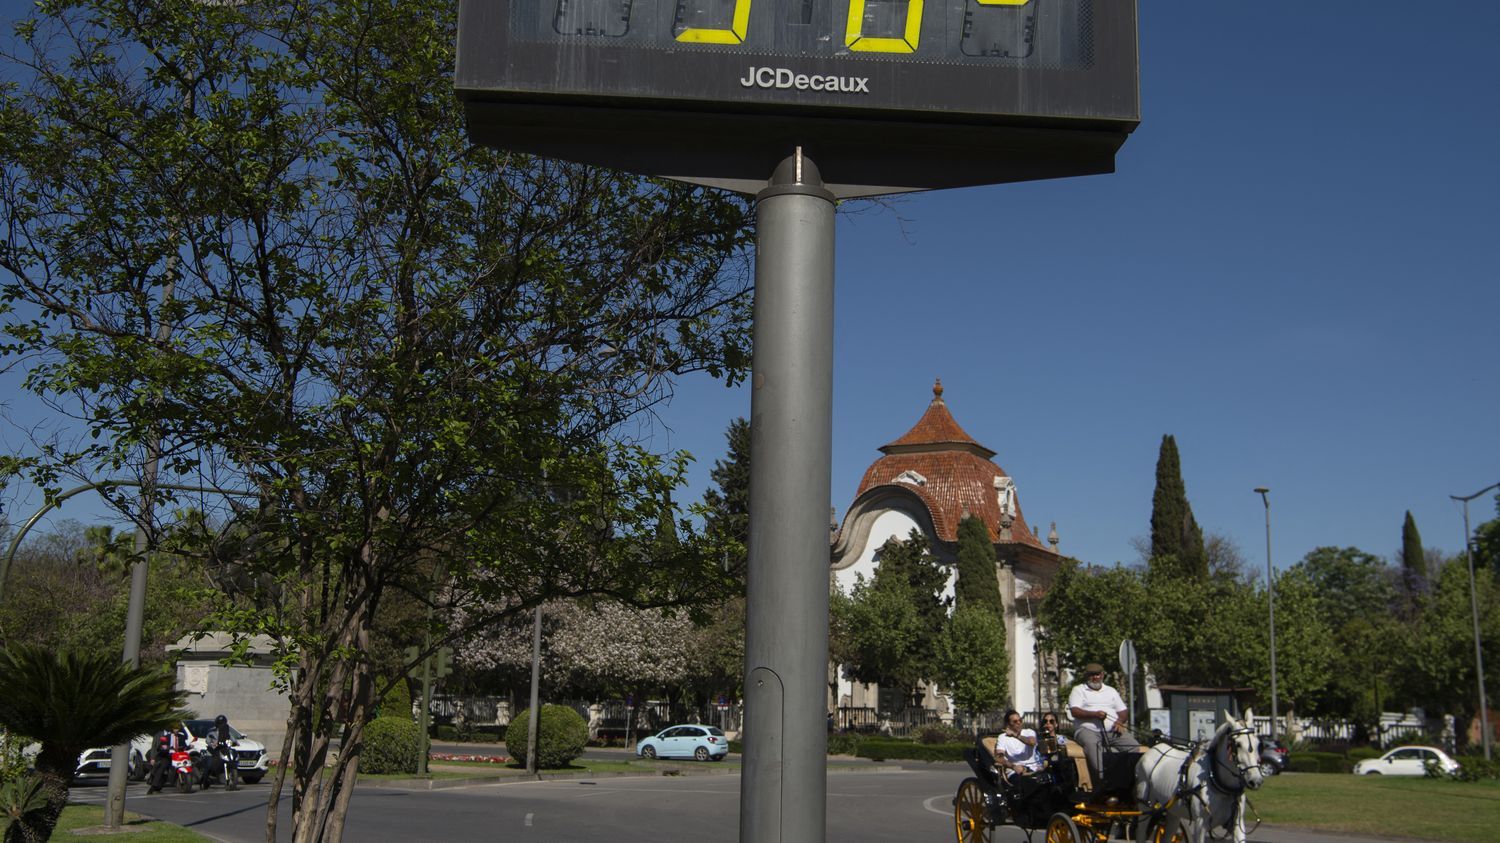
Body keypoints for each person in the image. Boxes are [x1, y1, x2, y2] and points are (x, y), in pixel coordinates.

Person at [1067, 663, 1139, 793]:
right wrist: (1094, 714)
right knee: (1093, 745)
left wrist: (1120, 721)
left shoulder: (1111, 691)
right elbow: (1075, 711)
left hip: (1112, 730)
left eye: (1098, 674)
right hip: (1087, 730)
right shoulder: (1079, 690)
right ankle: (1102, 781)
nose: (1095, 677)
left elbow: (1123, 711)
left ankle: (1127, 779)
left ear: (1102, 675)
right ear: (1087, 676)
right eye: (1092, 675)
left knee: (1133, 746)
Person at [995, 709, 1044, 778]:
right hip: (1015, 771)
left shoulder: (1029, 732)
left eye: (1020, 720)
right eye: (1015, 721)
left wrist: (1016, 735)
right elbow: (999, 758)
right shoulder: (1002, 737)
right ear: (1008, 724)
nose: (1019, 723)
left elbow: (1032, 742)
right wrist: (1013, 766)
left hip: (1034, 768)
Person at [147, 722, 189, 794]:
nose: (176, 730)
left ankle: (182, 781)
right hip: (167, 755)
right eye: (175, 728)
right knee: (162, 768)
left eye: (178, 729)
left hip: (177, 756)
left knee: (185, 764)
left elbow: (184, 746)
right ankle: (153, 787)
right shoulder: (166, 737)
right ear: (172, 729)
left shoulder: (181, 737)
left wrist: (188, 747)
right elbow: (160, 746)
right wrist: (164, 747)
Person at [211, 714, 240, 790]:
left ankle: (228, 776)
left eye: (224, 723)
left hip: (225, 749)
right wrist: (214, 743)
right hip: (216, 750)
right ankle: (214, 773)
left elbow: (231, 737)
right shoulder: (213, 731)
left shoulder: (227, 731)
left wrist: (235, 742)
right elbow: (210, 739)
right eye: (221, 723)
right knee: (212, 762)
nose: (222, 725)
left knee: (231, 756)